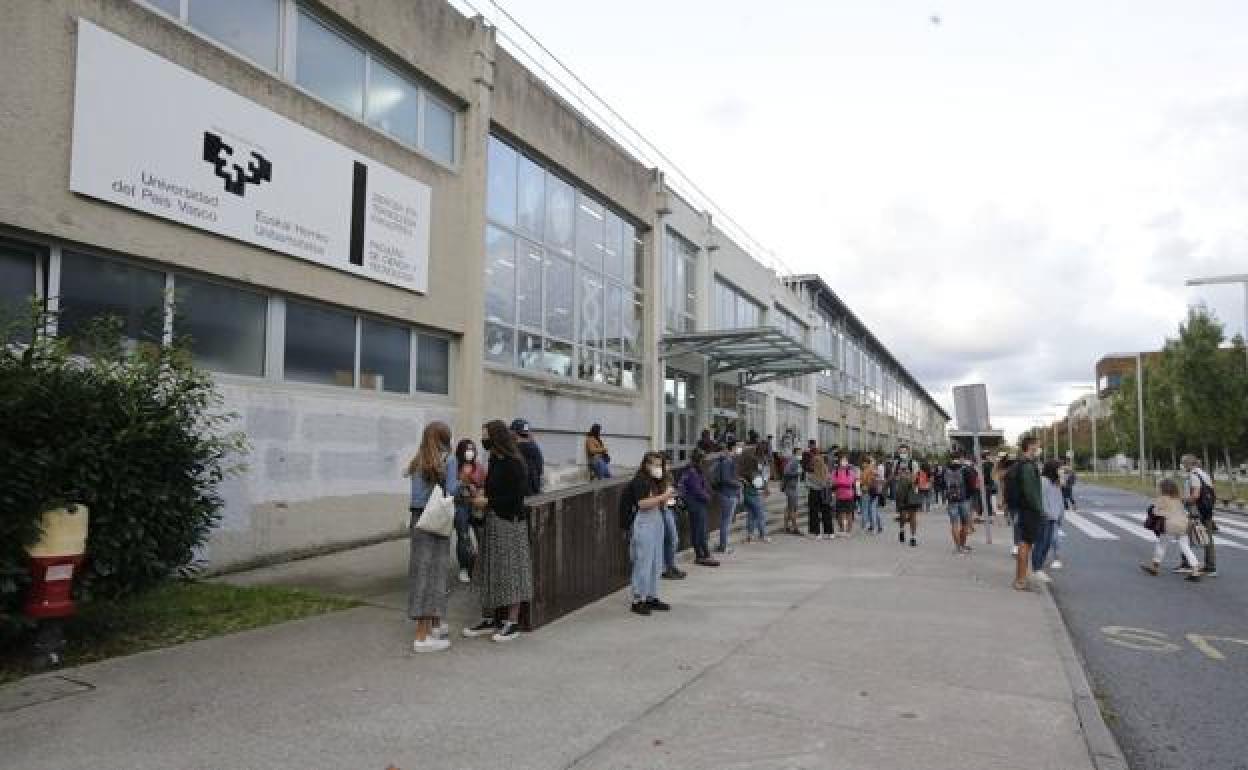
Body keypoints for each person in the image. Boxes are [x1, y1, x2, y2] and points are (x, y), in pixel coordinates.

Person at [463, 420, 533, 643]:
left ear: (497, 438)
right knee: (489, 570)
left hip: (510, 523)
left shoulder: (514, 463)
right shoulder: (494, 460)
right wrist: (479, 492)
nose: (483, 440)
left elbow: (516, 498)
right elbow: (493, 488)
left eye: (486, 436)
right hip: (492, 522)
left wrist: (488, 502)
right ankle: (490, 618)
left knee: (511, 571)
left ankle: (512, 622)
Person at [406, 421, 459, 653]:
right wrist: (463, 482)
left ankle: (432, 626)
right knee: (435, 575)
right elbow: (451, 491)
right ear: (445, 438)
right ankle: (422, 636)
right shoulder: (449, 460)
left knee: (420, 573)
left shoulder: (418, 459)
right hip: (436, 521)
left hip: (418, 520)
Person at [620, 452, 676, 615]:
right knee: (643, 562)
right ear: (646, 465)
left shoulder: (656, 481)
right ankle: (638, 599)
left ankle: (651, 596)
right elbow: (643, 504)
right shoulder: (640, 481)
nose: (659, 468)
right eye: (655, 465)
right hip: (643, 524)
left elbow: (659, 502)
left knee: (656, 562)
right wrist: (663, 496)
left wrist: (668, 496)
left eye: (660, 465)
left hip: (656, 522)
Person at [1141, 478, 1204, 580]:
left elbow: (1156, 512)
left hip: (1170, 525)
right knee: (1185, 546)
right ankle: (1195, 569)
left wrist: (1154, 510)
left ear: (1163, 488)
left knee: (1162, 544)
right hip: (1184, 524)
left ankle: (1154, 567)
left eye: (1159, 487)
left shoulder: (1162, 499)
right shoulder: (1178, 499)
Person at [1008, 437, 1045, 591]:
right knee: (1025, 544)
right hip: (1029, 510)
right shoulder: (1028, 466)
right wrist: (1040, 509)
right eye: (1037, 445)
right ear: (1030, 446)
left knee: (1024, 542)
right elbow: (1031, 492)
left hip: (1023, 509)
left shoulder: (1020, 463)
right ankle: (1021, 581)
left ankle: (1020, 578)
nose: (1039, 448)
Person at [453, 438, 485, 584]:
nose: (469, 452)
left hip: (476, 505)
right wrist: (461, 484)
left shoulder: (479, 467)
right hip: (460, 505)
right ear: (461, 451)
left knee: (481, 536)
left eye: (472, 449)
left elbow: (484, 485)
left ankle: (480, 567)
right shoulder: (455, 467)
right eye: (467, 449)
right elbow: (450, 487)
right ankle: (464, 568)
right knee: (463, 536)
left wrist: (476, 490)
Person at [679, 449, 719, 567]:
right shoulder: (692, 471)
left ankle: (704, 554)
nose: (704, 461)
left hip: (697, 504)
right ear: (699, 459)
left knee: (700, 530)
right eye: (703, 458)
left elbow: (702, 485)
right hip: (696, 504)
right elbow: (697, 490)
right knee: (699, 531)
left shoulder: (695, 470)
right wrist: (708, 497)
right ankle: (701, 555)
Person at [1179, 454, 1217, 577]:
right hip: (1206, 510)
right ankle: (1210, 567)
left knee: (1184, 536)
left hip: (1196, 511)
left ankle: (1187, 564)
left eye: (1183, 463)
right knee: (1207, 537)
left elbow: (1195, 495)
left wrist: (1184, 500)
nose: (1182, 466)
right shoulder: (1204, 474)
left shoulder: (1193, 475)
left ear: (1188, 464)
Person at [1031, 460, 1065, 582]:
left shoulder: (1056, 482)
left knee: (1047, 543)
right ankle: (1037, 568)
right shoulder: (1043, 481)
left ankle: (1039, 567)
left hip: (1053, 518)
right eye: (1059, 468)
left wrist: (1060, 516)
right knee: (1041, 543)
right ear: (1053, 469)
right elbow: (1042, 499)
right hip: (1044, 517)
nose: (1061, 471)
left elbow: (1060, 500)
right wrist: (1046, 513)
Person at [710, 442, 742, 554]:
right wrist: (739, 484)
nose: (740, 449)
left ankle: (723, 545)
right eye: (738, 447)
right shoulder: (727, 461)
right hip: (728, 494)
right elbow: (726, 479)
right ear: (732, 448)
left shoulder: (725, 460)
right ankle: (723, 546)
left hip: (725, 493)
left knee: (725, 521)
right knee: (726, 521)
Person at [739, 443, 771, 543]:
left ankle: (750, 535)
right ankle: (763, 535)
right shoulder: (759, 462)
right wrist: (765, 488)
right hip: (754, 492)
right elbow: (763, 477)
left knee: (751, 514)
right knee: (760, 514)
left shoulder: (749, 462)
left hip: (747, 491)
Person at [944, 455, 972, 554]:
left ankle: (958, 547)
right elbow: (971, 485)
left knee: (954, 524)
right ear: (960, 459)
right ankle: (963, 545)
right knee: (965, 523)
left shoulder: (946, 470)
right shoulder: (964, 470)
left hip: (951, 501)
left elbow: (942, 484)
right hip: (964, 500)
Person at [510, 418, 544, 495]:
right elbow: (540, 469)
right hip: (534, 491)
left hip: (521, 494)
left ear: (513, 432)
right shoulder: (534, 448)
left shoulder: (516, 450)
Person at [807, 450, 834, 538]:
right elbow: (830, 482)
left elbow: (807, 484)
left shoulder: (810, 472)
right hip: (824, 492)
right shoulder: (826, 470)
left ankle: (817, 533)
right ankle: (830, 532)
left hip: (814, 492)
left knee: (814, 513)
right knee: (826, 512)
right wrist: (824, 483)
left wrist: (816, 482)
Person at [829, 453, 857, 539]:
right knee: (840, 513)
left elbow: (851, 482)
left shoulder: (850, 472)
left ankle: (848, 531)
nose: (844, 462)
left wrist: (839, 483)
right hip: (840, 495)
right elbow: (832, 482)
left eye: (845, 460)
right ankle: (842, 529)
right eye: (842, 460)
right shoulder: (835, 472)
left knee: (848, 513)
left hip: (848, 495)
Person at [894, 463, 921, 547]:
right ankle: (902, 530)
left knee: (913, 518)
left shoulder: (914, 476)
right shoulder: (899, 477)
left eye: (905, 469)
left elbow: (917, 487)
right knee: (903, 517)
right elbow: (897, 491)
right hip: (902, 500)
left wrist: (913, 480)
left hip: (912, 500)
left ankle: (913, 538)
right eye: (902, 469)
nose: (904, 471)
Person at [781, 447, 803, 534]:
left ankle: (786, 526)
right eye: (799, 453)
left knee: (789, 507)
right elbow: (786, 472)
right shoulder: (793, 461)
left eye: (801, 453)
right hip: (791, 487)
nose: (800, 454)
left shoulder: (795, 461)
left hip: (792, 487)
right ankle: (795, 528)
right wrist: (797, 473)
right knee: (793, 508)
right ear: (795, 453)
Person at [860, 455, 880, 534]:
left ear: (866, 463)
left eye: (863, 463)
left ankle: (865, 526)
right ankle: (874, 527)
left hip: (866, 491)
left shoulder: (866, 471)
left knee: (866, 510)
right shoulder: (874, 470)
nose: (862, 464)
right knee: (873, 510)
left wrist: (862, 484)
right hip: (874, 492)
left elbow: (866, 482)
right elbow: (877, 480)